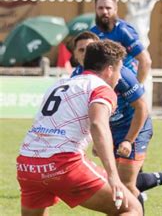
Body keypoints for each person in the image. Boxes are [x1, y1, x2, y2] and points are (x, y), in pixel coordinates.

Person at [72, 32, 162, 211]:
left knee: (127, 185)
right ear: (75, 54)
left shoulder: (119, 73)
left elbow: (142, 109)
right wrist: (97, 140)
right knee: (116, 180)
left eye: (90, 49)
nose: (86, 54)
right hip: (112, 128)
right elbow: (91, 113)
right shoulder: (77, 77)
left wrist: (129, 140)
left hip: (135, 125)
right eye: (81, 50)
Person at [16, 40, 143, 215]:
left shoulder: (60, 84)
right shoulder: (102, 89)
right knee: (131, 208)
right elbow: (98, 124)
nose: (120, 77)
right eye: (119, 70)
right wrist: (113, 175)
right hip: (64, 164)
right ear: (109, 69)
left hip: (27, 165)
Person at [91, 0, 152, 84]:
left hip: (125, 88)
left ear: (115, 9)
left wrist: (137, 87)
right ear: (95, 9)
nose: (104, 11)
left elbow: (145, 61)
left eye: (108, 8)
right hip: (104, 86)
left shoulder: (124, 31)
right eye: (100, 8)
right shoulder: (93, 33)